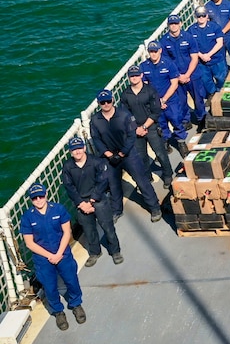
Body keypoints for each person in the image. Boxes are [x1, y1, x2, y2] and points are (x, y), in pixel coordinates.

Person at [89, 89, 161, 222]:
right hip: (109, 157)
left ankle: (155, 207)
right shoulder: (95, 120)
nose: (106, 104)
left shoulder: (125, 115)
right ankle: (117, 210)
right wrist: (108, 154)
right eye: (102, 102)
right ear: (98, 103)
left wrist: (122, 152)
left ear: (113, 100)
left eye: (108, 101)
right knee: (114, 185)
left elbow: (132, 135)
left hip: (128, 154)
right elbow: (96, 139)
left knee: (141, 180)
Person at [20, 183, 85, 330]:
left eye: (40, 196)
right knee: (50, 287)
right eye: (34, 198)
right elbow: (30, 243)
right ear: (31, 200)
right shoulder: (27, 217)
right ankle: (58, 311)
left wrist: (59, 253)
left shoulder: (59, 209)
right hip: (43, 259)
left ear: (46, 194)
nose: (38, 200)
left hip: (63, 254)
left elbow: (67, 232)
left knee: (72, 280)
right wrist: (51, 256)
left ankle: (76, 304)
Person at [60, 137, 121, 266]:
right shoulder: (67, 167)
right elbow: (69, 187)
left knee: (108, 227)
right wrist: (81, 203)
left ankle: (115, 251)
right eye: (74, 150)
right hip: (81, 202)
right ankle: (95, 252)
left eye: (79, 148)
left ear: (84, 148)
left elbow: (103, 181)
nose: (77, 152)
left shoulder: (96, 162)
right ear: (70, 152)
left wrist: (92, 199)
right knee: (88, 230)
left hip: (98, 200)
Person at [121, 64, 172, 190]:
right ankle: (147, 177)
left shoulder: (150, 90)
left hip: (152, 127)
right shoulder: (125, 94)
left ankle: (168, 175)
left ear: (141, 75)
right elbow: (126, 114)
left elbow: (156, 111)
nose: (134, 78)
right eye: (132, 76)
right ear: (128, 78)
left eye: (136, 75)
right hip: (136, 130)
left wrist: (144, 126)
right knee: (141, 156)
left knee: (160, 153)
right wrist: (136, 128)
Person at [140, 40, 187, 146]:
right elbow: (145, 86)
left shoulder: (169, 64)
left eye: (155, 51)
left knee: (176, 119)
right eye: (151, 51)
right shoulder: (144, 66)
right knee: (161, 123)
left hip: (170, 100)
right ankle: (166, 141)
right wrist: (156, 101)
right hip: (155, 101)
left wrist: (164, 99)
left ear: (160, 51)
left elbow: (174, 84)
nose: (153, 54)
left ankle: (181, 142)